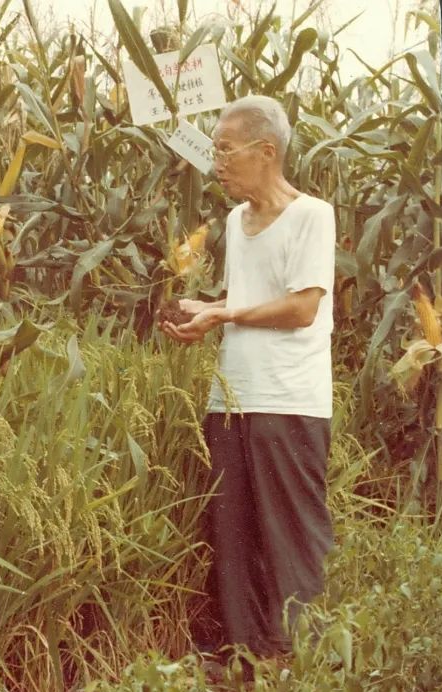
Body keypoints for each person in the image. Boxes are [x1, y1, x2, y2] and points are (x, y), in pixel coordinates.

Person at [160, 95, 336, 660]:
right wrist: (204, 313)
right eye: (213, 149)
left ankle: (296, 663)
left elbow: (302, 307)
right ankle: (243, 659)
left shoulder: (313, 215)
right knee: (232, 537)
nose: (216, 161)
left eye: (225, 149)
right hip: (231, 397)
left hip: (290, 401)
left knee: (291, 537)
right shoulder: (236, 221)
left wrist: (226, 314)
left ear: (267, 151)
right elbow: (245, 301)